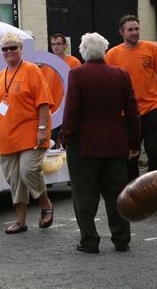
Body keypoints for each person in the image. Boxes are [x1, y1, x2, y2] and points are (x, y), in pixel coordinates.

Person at [60, 32, 140, 254]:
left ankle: (89, 240)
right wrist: (134, 142)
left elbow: (72, 111)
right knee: (117, 194)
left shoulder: (77, 75)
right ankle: (121, 239)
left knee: (84, 194)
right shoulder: (121, 74)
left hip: (84, 144)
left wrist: (66, 136)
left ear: (83, 52)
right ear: (104, 50)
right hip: (115, 142)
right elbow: (132, 111)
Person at [0, 32, 55, 234]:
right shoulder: (0, 75)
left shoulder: (31, 70)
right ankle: (21, 221)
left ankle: (46, 204)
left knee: (28, 170)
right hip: (6, 138)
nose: (9, 52)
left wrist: (42, 129)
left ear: (21, 49)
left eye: (13, 47)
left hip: (30, 134)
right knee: (15, 180)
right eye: (5, 49)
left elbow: (43, 103)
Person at [105, 15, 157, 199]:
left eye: (137, 29)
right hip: (126, 113)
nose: (135, 32)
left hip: (152, 107)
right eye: (130, 30)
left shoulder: (152, 48)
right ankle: (134, 197)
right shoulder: (112, 55)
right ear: (122, 32)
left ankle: (156, 196)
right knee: (129, 157)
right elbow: (108, 84)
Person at [44, 33, 82, 147]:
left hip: (68, 109)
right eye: (53, 44)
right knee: (51, 143)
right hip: (52, 111)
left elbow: (79, 85)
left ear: (65, 45)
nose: (56, 47)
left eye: (59, 44)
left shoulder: (74, 62)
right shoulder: (47, 64)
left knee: (69, 143)